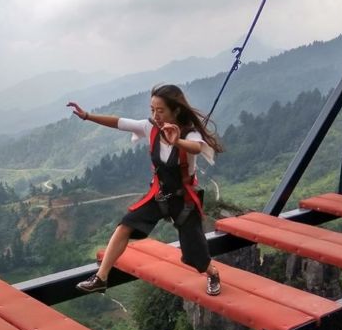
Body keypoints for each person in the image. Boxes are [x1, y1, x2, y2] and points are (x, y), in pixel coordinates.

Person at [67, 84, 224, 296]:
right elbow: (118, 122)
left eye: (161, 111)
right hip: (159, 195)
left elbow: (197, 147)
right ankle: (101, 278)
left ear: (175, 110)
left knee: (194, 253)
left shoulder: (190, 134)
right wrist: (87, 116)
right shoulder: (150, 128)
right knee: (125, 225)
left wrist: (177, 141)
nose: (155, 115)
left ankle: (212, 272)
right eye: (152, 110)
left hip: (183, 199)